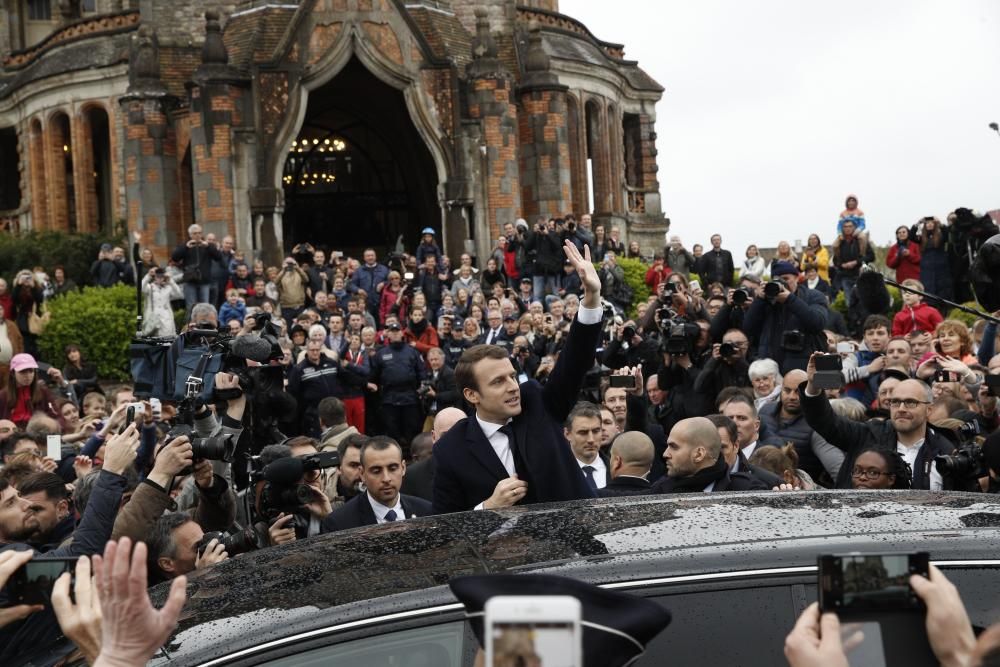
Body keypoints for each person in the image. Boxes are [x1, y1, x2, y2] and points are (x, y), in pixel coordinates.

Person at [432, 240, 601, 513]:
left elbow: (575, 361)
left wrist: (591, 298)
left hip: (576, 548)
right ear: (471, 394)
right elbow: (444, 527)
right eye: (498, 382)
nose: (513, 387)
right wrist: (487, 507)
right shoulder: (451, 450)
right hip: (500, 554)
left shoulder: (536, 402)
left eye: (512, 376)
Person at [801, 352, 954, 490]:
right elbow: (826, 422)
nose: (901, 408)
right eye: (895, 402)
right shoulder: (868, 434)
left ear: (929, 409)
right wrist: (814, 387)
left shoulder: (946, 448)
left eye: (910, 402)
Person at [321, 436, 433, 532]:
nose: (386, 478)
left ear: (403, 468)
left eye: (392, 468)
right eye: (376, 471)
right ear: (362, 473)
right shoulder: (339, 523)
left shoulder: (426, 512)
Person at [743, 262, 828, 373]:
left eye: (786, 279)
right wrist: (759, 300)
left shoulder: (813, 296)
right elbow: (748, 328)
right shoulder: (767, 300)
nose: (782, 284)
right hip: (770, 368)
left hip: (802, 367)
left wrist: (790, 299)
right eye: (777, 280)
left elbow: (817, 323)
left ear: (797, 278)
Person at [651, 416, 768, 493]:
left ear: (699, 454)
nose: (666, 454)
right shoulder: (662, 489)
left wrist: (783, 496)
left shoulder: (748, 490)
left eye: (674, 447)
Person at [370, 321, 425, 447]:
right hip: (389, 398)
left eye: (397, 331)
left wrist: (422, 388)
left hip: (410, 397)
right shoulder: (381, 353)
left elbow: (421, 371)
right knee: (392, 431)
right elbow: (374, 376)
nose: (395, 334)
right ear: (388, 334)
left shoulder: (412, 351)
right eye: (392, 331)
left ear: (402, 333)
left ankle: (413, 458)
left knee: (412, 429)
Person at [171, 224, 222, 312]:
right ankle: (192, 325)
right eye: (195, 233)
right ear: (190, 235)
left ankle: (204, 325)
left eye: (199, 233)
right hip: (190, 281)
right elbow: (175, 258)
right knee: (191, 307)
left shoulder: (207, 246)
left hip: (204, 281)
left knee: (205, 307)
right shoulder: (185, 245)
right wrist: (185, 247)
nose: (198, 235)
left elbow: (218, 257)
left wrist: (208, 247)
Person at [564, 402, 608, 492]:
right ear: (567, 434)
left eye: (596, 431)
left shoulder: (618, 470)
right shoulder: (557, 473)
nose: (591, 439)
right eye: (583, 432)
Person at [830, 218, 874, 307]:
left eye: (850, 226)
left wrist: (856, 262)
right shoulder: (840, 243)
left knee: (863, 302)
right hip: (846, 277)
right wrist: (842, 265)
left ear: (854, 228)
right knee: (850, 303)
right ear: (842, 228)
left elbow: (871, 257)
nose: (848, 228)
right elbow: (835, 261)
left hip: (861, 276)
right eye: (845, 226)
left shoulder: (861, 241)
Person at [598, 431, 654, 497]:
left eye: (611, 457)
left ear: (617, 462)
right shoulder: (662, 496)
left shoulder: (594, 497)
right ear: (650, 466)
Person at [349, 248, 390, 321]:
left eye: (372, 255)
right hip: (365, 304)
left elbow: (391, 281)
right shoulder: (359, 271)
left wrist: (384, 283)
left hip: (381, 303)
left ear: (375, 256)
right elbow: (351, 285)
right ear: (364, 258)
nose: (370, 257)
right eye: (368, 256)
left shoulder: (384, 269)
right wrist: (358, 290)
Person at [141, 267, 182, 337]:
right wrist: (148, 276)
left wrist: (171, 281)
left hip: (166, 317)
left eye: (161, 276)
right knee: (151, 339)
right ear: (154, 277)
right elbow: (141, 287)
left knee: (166, 337)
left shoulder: (168, 288)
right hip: (152, 317)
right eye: (157, 276)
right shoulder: (150, 287)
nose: (159, 278)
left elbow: (179, 294)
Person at [0, 303, 23, 380]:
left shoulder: (11, 325)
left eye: (0, 309)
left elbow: (20, 342)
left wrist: (19, 358)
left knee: (8, 390)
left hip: (9, 366)